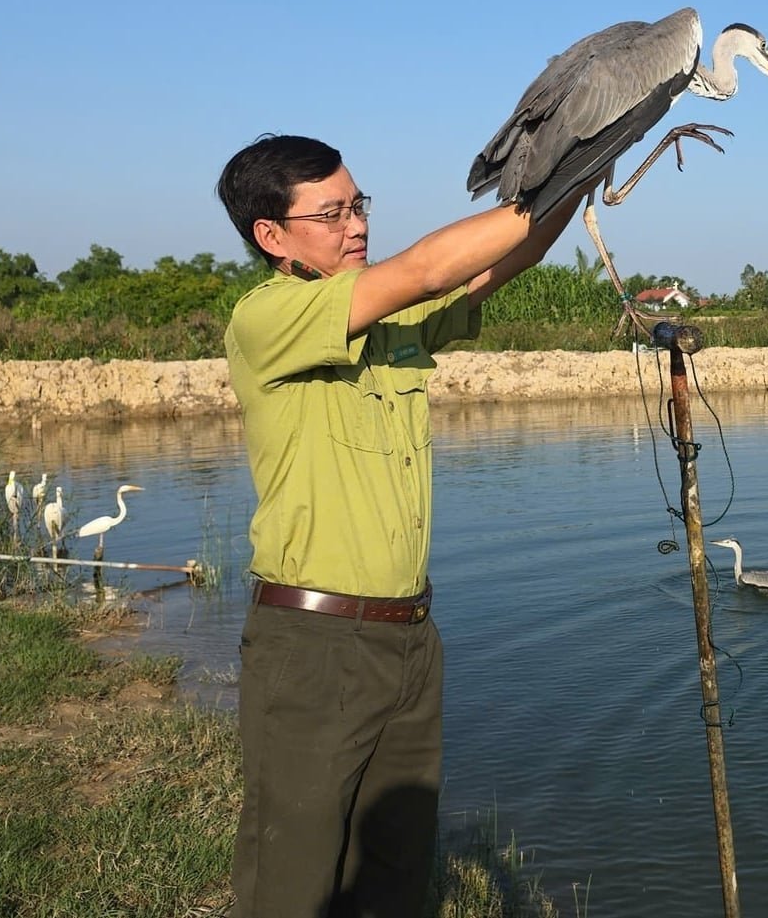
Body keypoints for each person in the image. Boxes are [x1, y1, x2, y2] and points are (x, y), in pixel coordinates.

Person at [216, 133, 582, 918]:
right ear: (271, 236)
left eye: (359, 205)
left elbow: (503, 260)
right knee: (295, 880)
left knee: (396, 875)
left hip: (410, 639)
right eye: (333, 213)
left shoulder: (395, 325)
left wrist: (588, 162)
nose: (357, 226)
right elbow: (423, 267)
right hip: (313, 648)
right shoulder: (266, 318)